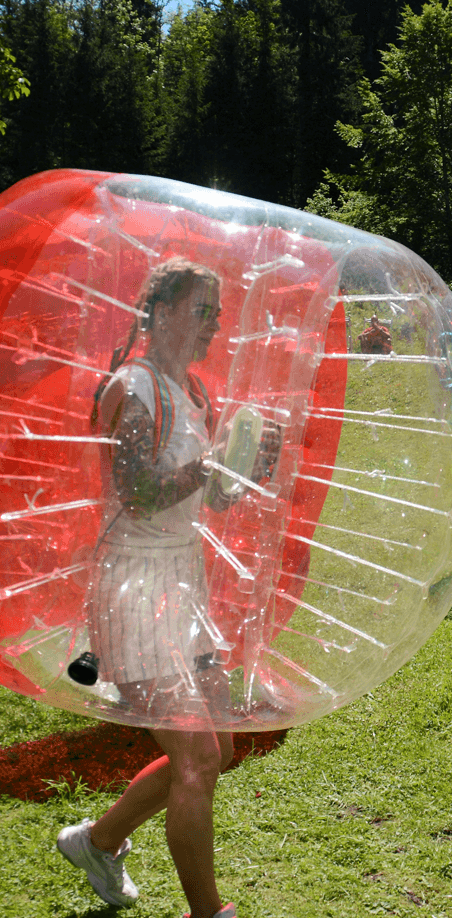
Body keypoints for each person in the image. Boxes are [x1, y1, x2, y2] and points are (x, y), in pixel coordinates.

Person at [57, 258, 277, 918]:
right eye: (203, 310)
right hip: (134, 586)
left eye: (216, 311)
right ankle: (209, 914)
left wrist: (242, 467)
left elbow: (207, 497)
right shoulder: (135, 387)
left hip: (183, 583)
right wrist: (208, 465)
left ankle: (97, 841)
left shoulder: (195, 392)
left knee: (221, 751)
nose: (214, 323)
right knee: (196, 757)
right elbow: (139, 491)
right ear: (163, 314)